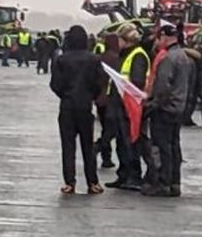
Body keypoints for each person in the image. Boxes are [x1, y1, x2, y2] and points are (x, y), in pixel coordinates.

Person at [49, 26, 105, 195]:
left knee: (68, 146)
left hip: (67, 106)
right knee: (87, 145)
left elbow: (55, 84)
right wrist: (91, 95)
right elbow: (99, 82)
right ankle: (92, 182)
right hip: (85, 106)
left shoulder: (61, 60)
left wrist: (65, 95)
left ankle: (69, 182)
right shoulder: (94, 59)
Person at [144, 20, 195, 197]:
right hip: (178, 108)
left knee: (161, 146)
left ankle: (162, 182)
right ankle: (175, 182)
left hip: (165, 109)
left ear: (165, 37)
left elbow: (163, 86)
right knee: (174, 146)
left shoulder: (168, 58)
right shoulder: (184, 57)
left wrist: (152, 105)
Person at [107, 23, 150, 190]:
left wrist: (123, 85)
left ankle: (134, 176)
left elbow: (137, 82)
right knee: (121, 142)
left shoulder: (137, 55)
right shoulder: (126, 54)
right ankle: (123, 174)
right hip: (121, 103)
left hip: (130, 106)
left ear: (126, 40)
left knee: (130, 142)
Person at [94, 31, 123, 169]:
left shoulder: (100, 58)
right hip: (111, 98)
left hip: (100, 98)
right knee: (113, 130)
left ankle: (106, 157)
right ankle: (98, 147)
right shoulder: (117, 59)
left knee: (106, 128)